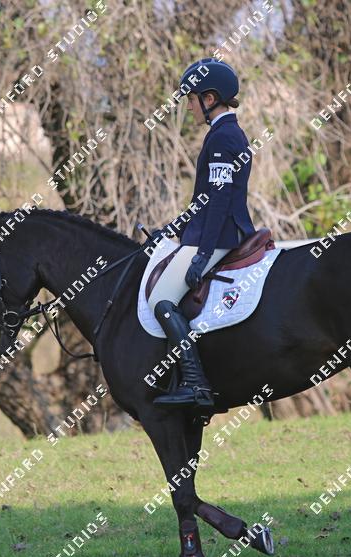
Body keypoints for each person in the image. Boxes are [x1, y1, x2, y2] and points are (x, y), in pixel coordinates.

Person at [148, 58, 256, 408]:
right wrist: (174, 228)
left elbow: (220, 201)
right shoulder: (223, 134)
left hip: (221, 236)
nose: (189, 106)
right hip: (213, 231)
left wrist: (203, 254)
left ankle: (195, 384)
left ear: (210, 99)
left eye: (192, 99)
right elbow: (205, 199)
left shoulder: (223, 138)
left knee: (161, 300)